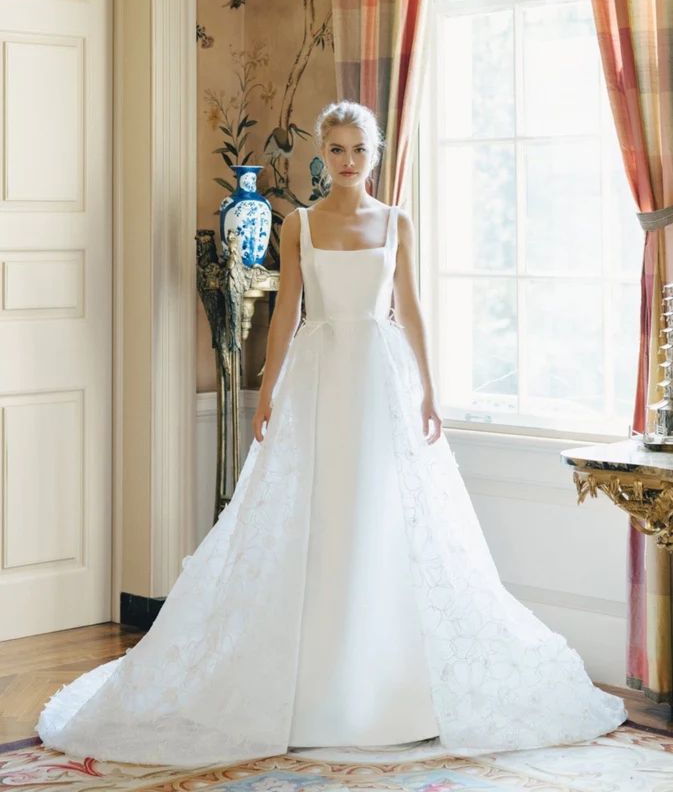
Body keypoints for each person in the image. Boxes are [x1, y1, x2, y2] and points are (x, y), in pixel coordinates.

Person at [36, 100, 627, 768]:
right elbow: (287, 309)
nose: (347, 162)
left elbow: (412, 310)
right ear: (324, 153)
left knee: (384, 521)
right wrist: (269, 391)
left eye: (358, 150)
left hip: (382, 381)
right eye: (337, 150)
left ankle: (395, 691)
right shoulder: (299, 225)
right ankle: (304, 689)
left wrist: (431, 388)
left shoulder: (396, 222)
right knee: (316, 518)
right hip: (318, 380)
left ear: (374, 154)